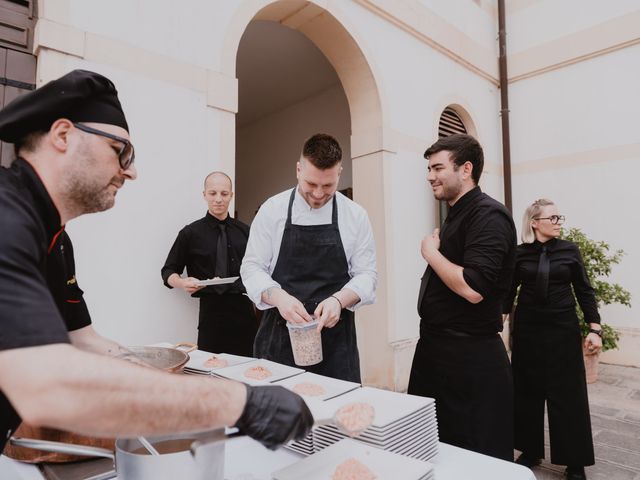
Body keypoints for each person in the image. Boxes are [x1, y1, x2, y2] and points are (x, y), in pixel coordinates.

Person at [0, 69, 312, 453]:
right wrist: (239, 404)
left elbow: (82, 339)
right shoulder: (6, 218)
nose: (131, 171)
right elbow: (45, 384)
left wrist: (160, 375)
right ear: (63, 136)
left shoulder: (56, 240)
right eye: (121, 152)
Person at [408, 133, 516, 461]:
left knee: (475, 458)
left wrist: (431, 253)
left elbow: (473, 288)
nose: (430, 176)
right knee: (432, 451)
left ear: (465, 169)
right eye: (429, 168)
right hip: (435, 352)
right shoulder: (455, 214)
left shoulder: (488, 216)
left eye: (438, 167)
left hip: (469, 361)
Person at [240, 133, 377, 382]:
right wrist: (279, 298)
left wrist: (339, 300)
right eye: (311, 184)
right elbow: (251, 267)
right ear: (298, 169)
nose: (317, 194)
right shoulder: (273, 209)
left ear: (339, 173)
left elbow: (367, 275)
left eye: (328, 186)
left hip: (337, 345)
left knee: (335, 417)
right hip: (279, 339)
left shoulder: (356, 216)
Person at [504, 199, 599, 480]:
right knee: (527, 391)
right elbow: (508, 292)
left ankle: (575, 461)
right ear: (535, 222)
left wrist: (595, 328)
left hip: (563, 328)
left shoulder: (570, 251)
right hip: (528, 330)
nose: (559, 222)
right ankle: (530, 450)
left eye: (560, 217)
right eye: (553, 217)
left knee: (568, 395)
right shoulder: (520, 254)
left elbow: (584, 290)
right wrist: (498, 324)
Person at [161, 172, 257, 356]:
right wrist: (182, 283)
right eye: (213, 193)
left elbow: (258, 269)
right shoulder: (190, 233)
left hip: (243, 313)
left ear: (231, 195)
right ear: (204, 194)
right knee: (209, 369)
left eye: (224, 193)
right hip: (210, 315)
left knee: (247, 369)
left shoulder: (246, 232)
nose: (219, 199)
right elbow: (168, 271)